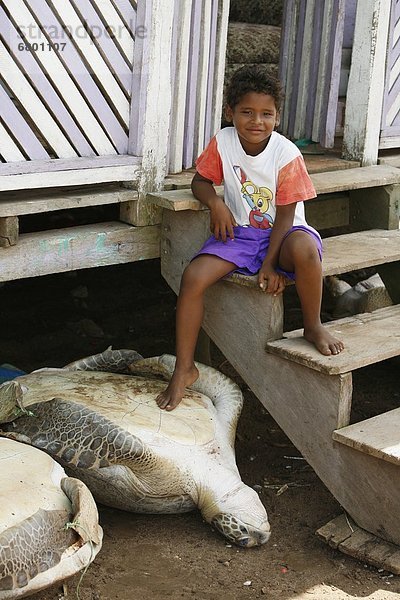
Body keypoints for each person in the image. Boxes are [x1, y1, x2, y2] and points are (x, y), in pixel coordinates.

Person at [157, 65, 344, 412]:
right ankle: (185, 367)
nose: (257, 121)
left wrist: (270, 263)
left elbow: (286, 214)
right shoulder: (223, 142)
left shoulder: (286, 153)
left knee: (306, 250)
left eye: (266, 114)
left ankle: (313, 325)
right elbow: (200, 181)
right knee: (193, 277)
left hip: (284, 235)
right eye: (247, 112)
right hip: (240, 234)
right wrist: (215, 203)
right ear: (231, 112)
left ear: (277, 116)